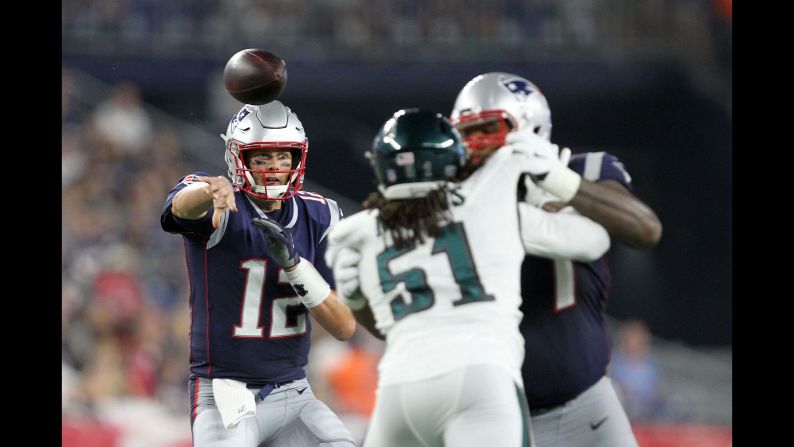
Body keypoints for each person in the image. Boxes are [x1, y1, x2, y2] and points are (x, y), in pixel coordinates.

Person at [322, 108, 612, 447]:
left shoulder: (357, 231)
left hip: (399, 388)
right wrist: (553, 180)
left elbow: (362, 311)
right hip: (480, 377)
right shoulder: (490, 204)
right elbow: (595, 240)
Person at [449, 72, 663, 447]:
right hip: (497, 418)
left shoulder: (587, 171)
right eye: (465, 134)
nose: (473, 146)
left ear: (529, 128)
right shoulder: (457, 198)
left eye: (486, 130)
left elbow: (645, 230)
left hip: (588, 407)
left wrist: (555, 178)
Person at [160, 100, 357, 447]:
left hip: (294, 391)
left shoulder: (320, 214)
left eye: (283, 157)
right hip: (225, 391)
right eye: (262, 157)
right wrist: (208, 191)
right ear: (239, 158)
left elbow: (344, 326)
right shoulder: (220, 201)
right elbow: (179, 209)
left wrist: (296, 268)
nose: (274, 167)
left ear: (298, 158)